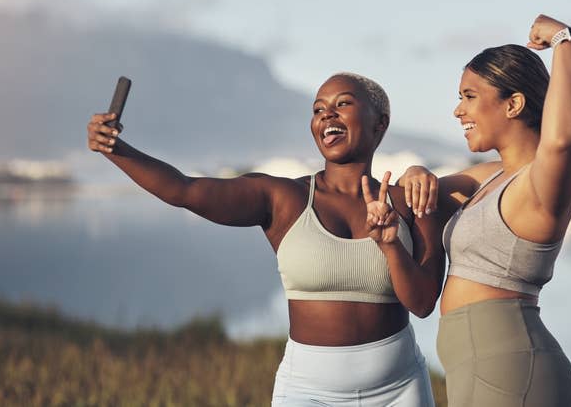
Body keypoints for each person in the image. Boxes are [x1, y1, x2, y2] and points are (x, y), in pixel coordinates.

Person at [86, 72, 444, 406]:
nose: (326, 115)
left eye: (343, 104)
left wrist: (391, 246)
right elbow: (185, 190)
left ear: (380, 122)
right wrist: (117, 150)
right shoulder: (282, 198)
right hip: (307, 393)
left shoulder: (411, 201)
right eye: (318, 109)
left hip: (399, 390)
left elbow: (424, 304)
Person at [399, 14, 571, 406]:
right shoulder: (489, 177)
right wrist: (416, 172)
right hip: (481, 369)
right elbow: (413, 198)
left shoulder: (541, 185)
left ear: (514, 103)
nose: (457, 111)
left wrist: (564, 41)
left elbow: (563, 139)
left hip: (514, 372)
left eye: (469, 96)